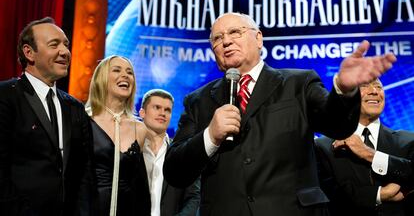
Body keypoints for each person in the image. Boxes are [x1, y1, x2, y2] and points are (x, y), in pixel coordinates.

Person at [162, 12, 397, 216]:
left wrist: (344, 91)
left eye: (235, 32)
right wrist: (210, 137)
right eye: (217, 38)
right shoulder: (198, 100)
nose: (226, 42)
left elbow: (337, 125)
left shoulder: (298, 82)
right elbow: (174, 172)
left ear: (259, 38)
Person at [0, 17, 93, 215]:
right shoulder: (5, 97)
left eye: (66, 45)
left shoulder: (75, 107)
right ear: (29, 52)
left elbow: (84, 172)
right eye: (54, 45)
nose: (65, 52)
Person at [315, 78, 414, 216]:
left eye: (378, 87)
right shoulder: (323, 147)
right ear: (347, 98)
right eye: (364, 86)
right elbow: (329, 197)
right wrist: (380, 194)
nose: (374, 91)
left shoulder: (409, 141)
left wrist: (370, 154)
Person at [85, 55, 151, 216]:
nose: (125, 75)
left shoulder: (140, 129)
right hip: (90, 208)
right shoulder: (84, 121)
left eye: (129, 72)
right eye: (116, 70)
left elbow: (140, 185)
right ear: (102, 79)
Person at [139, 89, 200, 216]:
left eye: (167, 110)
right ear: (142, 112)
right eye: (157, 107)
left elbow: (194, 197)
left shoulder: (182, 152)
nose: (163, 113)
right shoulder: (129, 150)